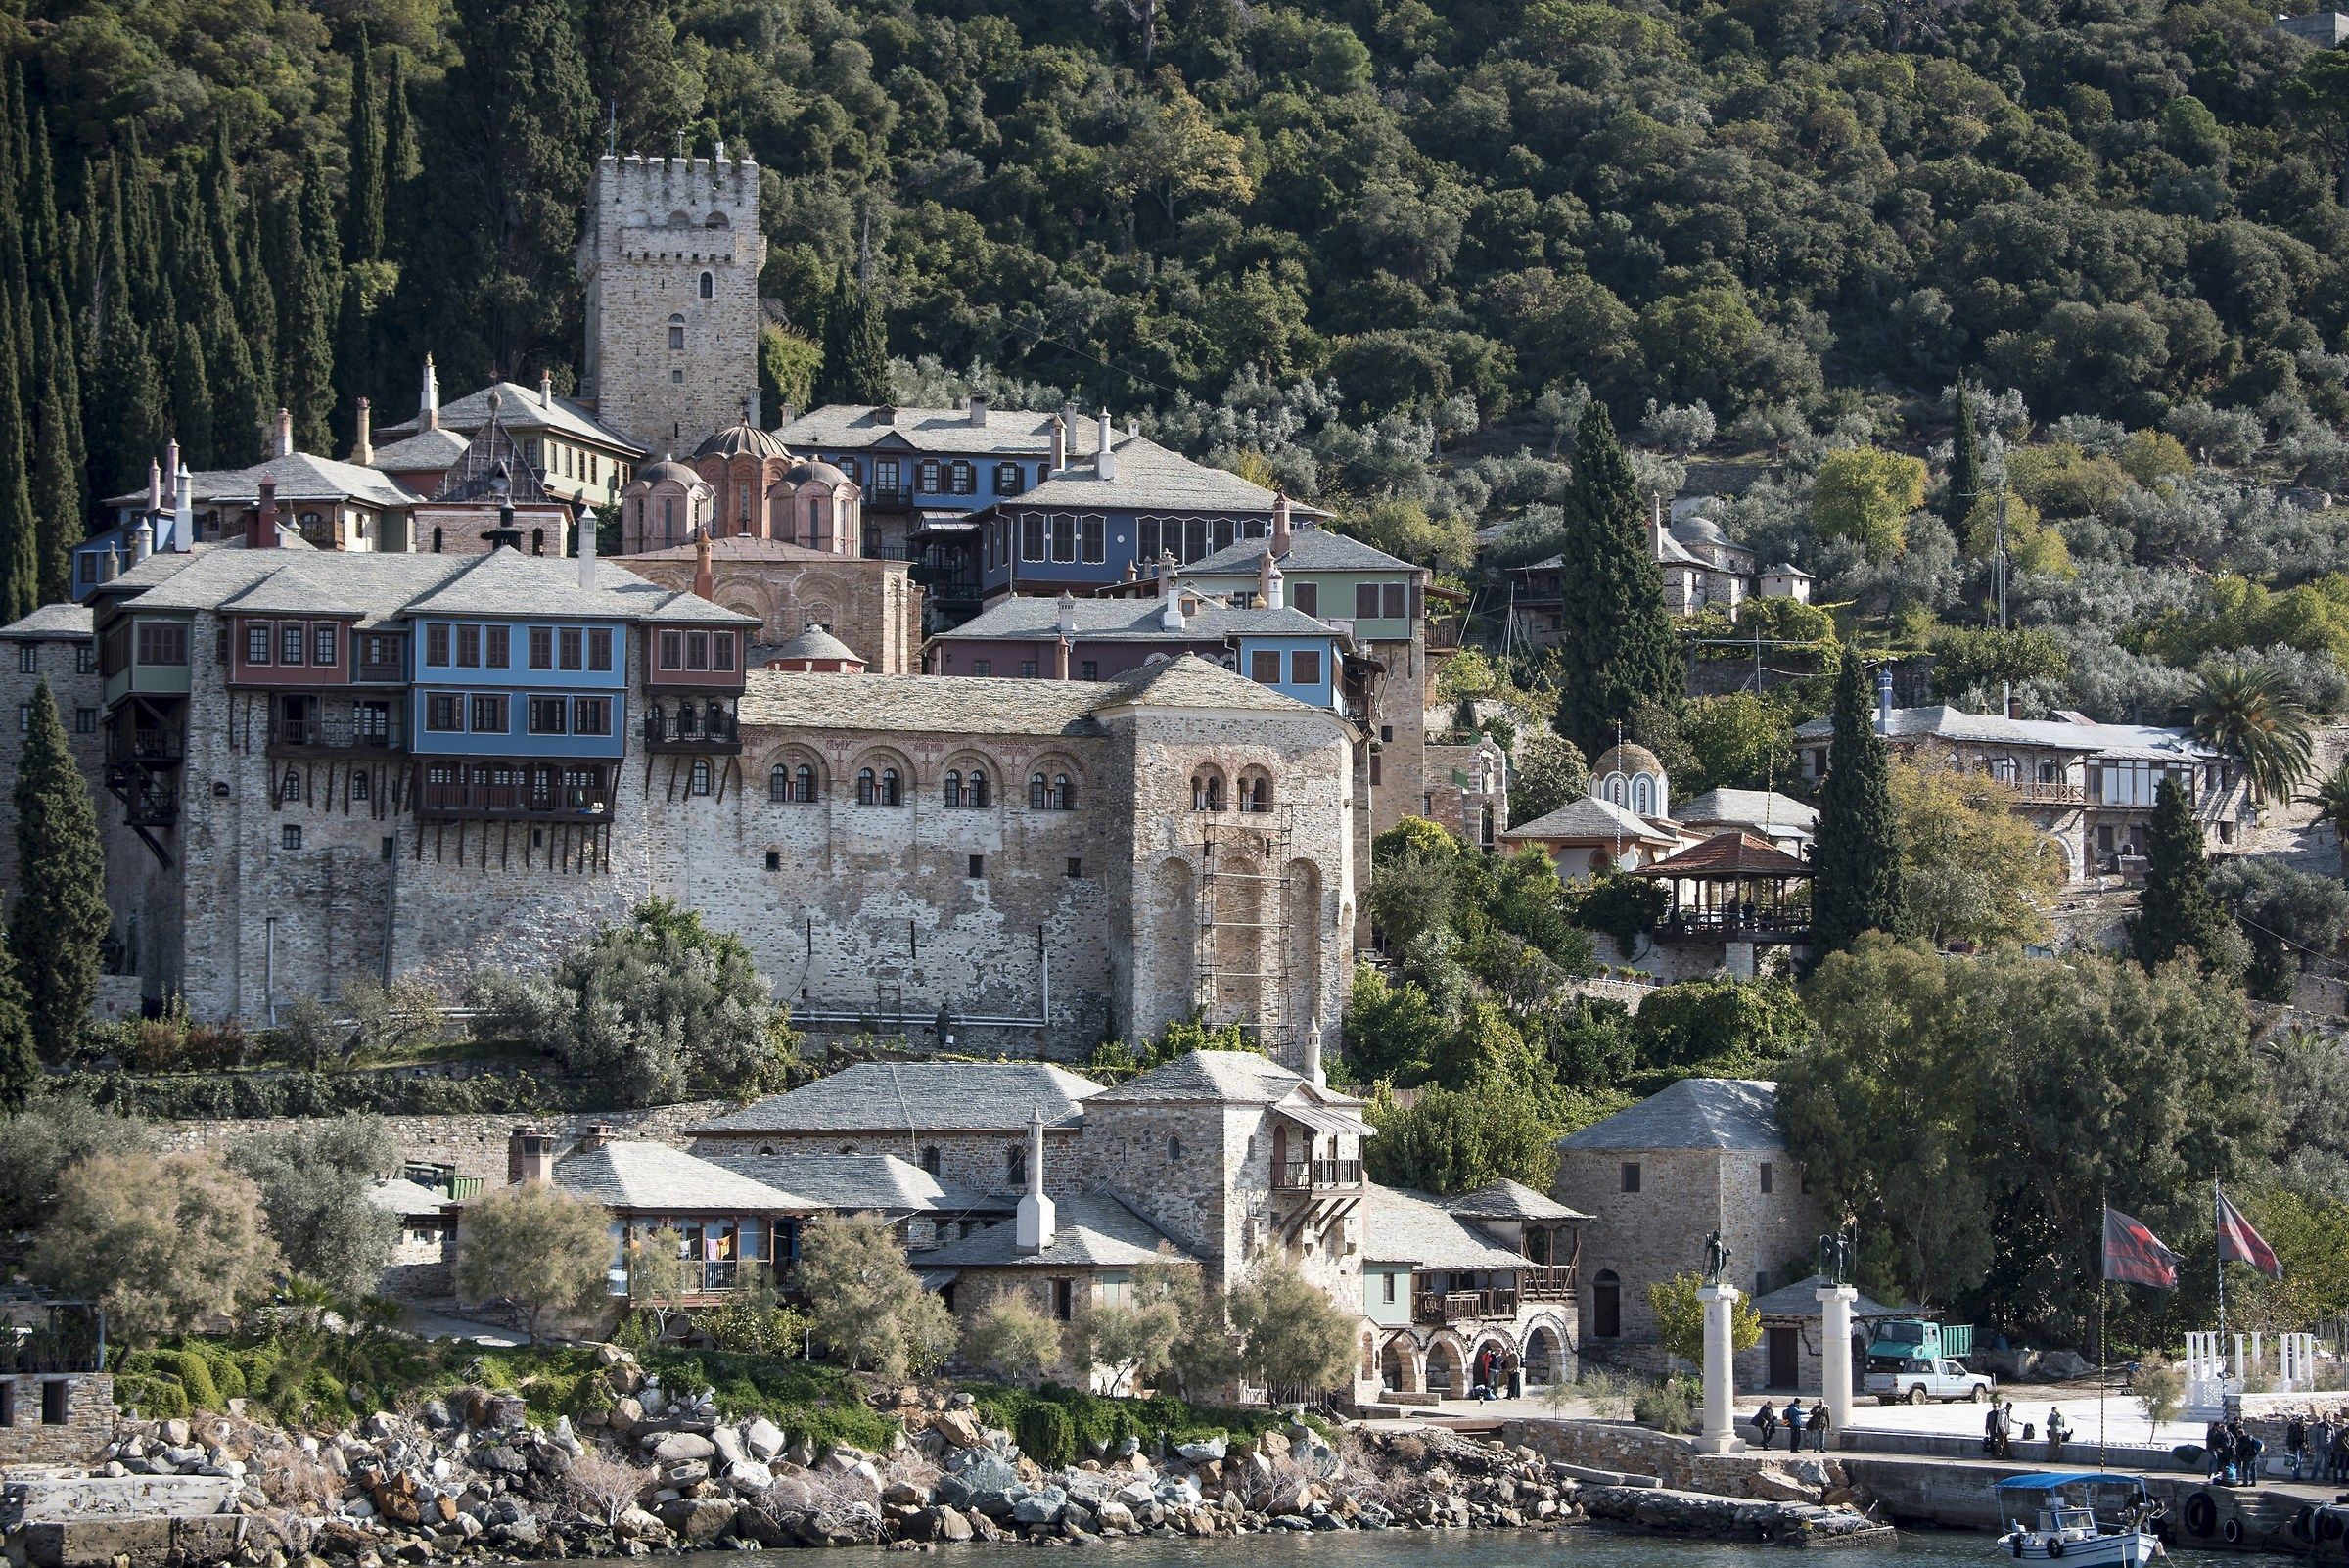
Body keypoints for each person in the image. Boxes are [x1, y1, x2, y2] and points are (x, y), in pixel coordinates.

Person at [2206, 1417, 2232, 1484]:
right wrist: (2215, 1448)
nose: (2219, 1428)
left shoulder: (2217, 1432)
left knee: (2211, 1461)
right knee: (2215, 1460)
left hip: (2214, 1449)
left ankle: (2209, 1474)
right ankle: (2215, 1473)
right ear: (2215, 1426)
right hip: (2210, 1448)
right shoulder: (2210, 1432)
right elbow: (2210, 1441)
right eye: (2218, 1427)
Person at [2287, 1411, 2309, 1482]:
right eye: (2301, 1421)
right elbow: (2290, 1438)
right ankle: (2295, 1476)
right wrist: (2290, 1447)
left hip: (2302, 1446)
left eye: (2303, 1421)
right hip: (2295, 1446)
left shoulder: (2304, 1428)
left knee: (2300, 1462)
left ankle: (2298, 1475)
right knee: (2296, 1461)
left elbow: (2306, 1438)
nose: (2302, 1422)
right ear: (2299, 1421)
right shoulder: (2294, 1427)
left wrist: (2307, 1448)